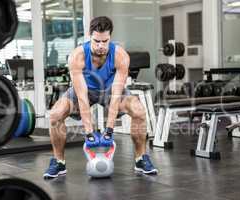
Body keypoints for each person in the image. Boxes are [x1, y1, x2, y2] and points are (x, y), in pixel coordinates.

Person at [43, 16, 158, 179]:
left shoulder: (120, 55)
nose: (100, 46)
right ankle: (58, 162)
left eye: (105, 41)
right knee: (55, 114)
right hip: (85, 92)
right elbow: (82, 97)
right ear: (90, 36)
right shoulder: (77, 56)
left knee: (139, 111)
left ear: (110, 37)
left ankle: (141, 158)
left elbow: (117, 94)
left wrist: (109, 130)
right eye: (96, 41)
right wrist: (89, 133)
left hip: (110, 91)